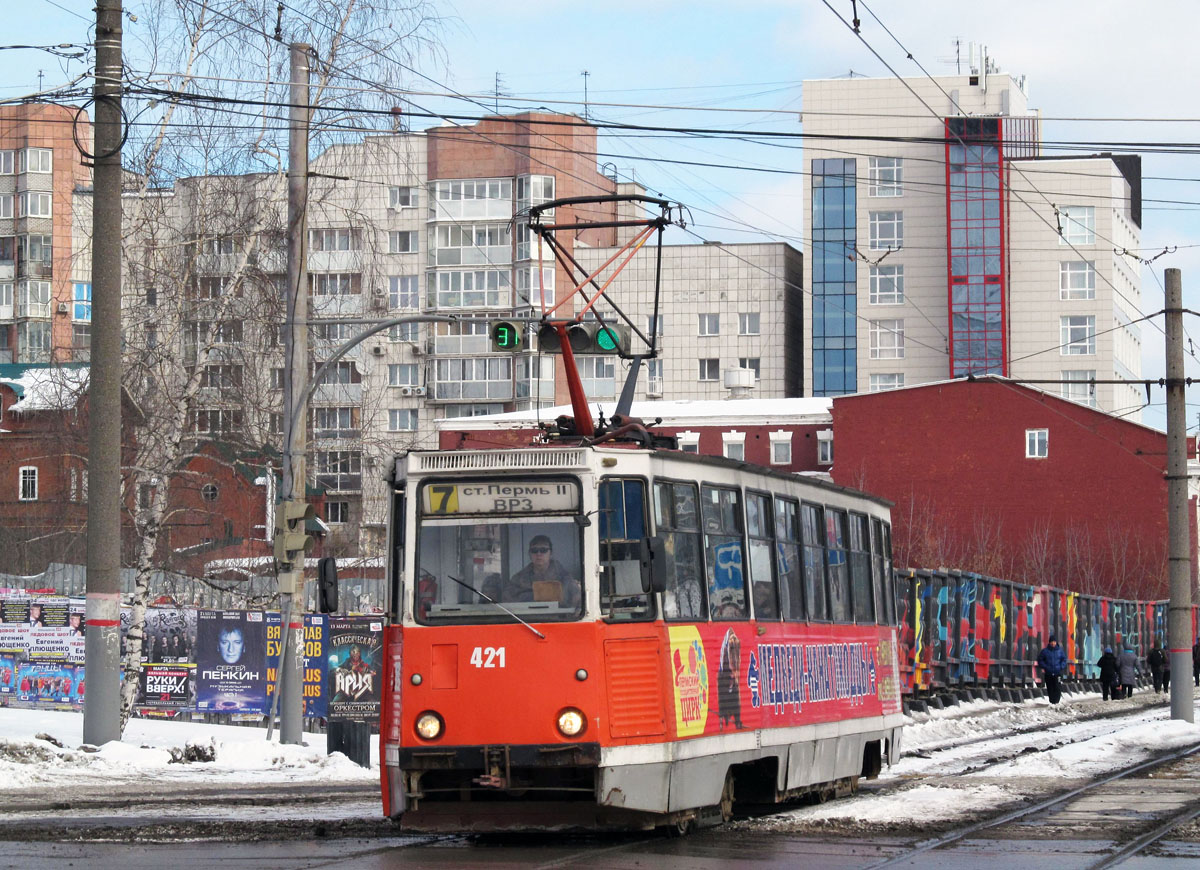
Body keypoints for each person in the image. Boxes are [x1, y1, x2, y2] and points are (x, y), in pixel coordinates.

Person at [488, 535, 580, 608]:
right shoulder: (518, 579)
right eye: (534, 550)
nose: (538, 554)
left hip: (559, 622)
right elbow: (507, 602)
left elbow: (578, 602)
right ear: (529, 554)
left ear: (551, 553)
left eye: (543, 550)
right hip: (527, 622)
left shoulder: (565, 578)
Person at [1037, 635, 1068, 704]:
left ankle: (1056, 701)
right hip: (1048, 673)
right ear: (1049, 642)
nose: (1053, 643)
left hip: (1057, 673)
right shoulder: (1045, 651)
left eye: (1054, 642)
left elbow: (1064, 660)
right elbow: (1040, 660)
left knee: (1057, 688)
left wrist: (1061, 667)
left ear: (1056, 642)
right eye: (1051, 642)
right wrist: (1045, 667)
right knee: (1050, 688)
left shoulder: (1060, 651)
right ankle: (1052, 701)